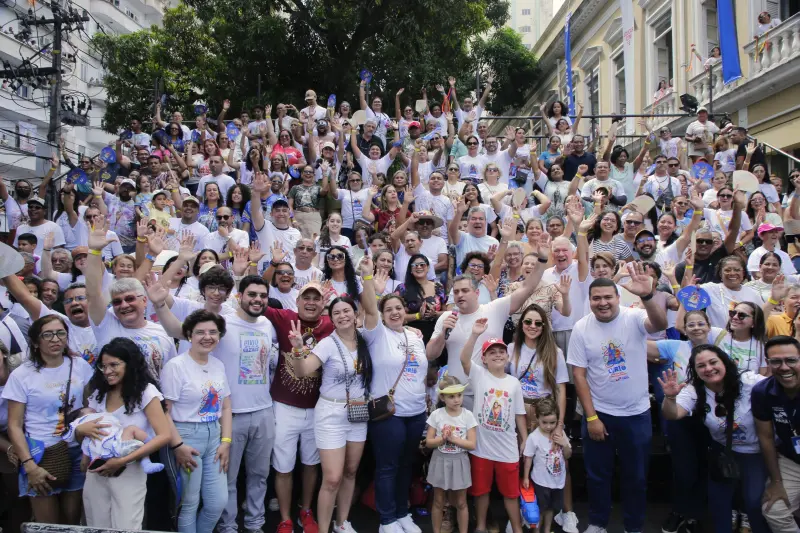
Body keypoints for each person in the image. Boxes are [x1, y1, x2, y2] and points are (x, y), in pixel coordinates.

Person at [150, 275, 277, 533]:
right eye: (251, 294)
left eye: (263, 295)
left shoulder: (267, 324)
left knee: (259, 475)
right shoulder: (222, 323)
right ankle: (227, 526)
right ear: (239, 296)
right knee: (225, 480)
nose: (257, 299)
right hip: (230, 415)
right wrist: (160, 305)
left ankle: (255, 523)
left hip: (263, 410)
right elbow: (178, 330)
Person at [567, 267, 668, 533]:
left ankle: (633, 526)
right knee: (597, 476)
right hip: (599, 413)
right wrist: (591, 417)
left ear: (617, 297)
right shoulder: (581, 328)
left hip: (636, 415)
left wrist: (648, 296)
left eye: (607, 297)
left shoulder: (634, 317)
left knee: (636, 478)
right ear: (590, 300)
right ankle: (598, 523)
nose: (602, 303)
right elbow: (579, 375)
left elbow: (660, 324)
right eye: (596, 298)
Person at [427, 237, 550, 409]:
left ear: (477, 293)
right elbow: (430, 354)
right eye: (456, 292)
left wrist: (542, 259)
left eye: (465, 290)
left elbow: (527, 287)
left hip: (490, 394)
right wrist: (443, 334)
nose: (460, 295)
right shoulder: (446, 318)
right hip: (456, 396)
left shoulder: (495, 309)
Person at [285, 292, 372, 533]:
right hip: (331, 413)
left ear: (355, 314)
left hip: (358, 411)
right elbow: (302, 371)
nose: (342, 316)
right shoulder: (327, 343)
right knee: (332, 478)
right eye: (336, 313)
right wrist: (298, 349)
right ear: (331, 319)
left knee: (351, 472)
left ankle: (342, 523)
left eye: (346, 311)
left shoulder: (365, 339)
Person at [358, 257, 432, 533]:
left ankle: (402, 513)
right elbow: (369, 307)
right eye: (388, 309)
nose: (394, 312)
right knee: (387, 467)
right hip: (389, 414)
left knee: (406, 466)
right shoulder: (376, 334)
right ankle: (387, 519)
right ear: (381, 314)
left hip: (416, 412)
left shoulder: (415, 336)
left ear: (405, 310)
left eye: (398, 308)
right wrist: (368, 277)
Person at [660, 344, 769, 533]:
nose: (708, 369)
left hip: (755, 452)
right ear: (695, 371)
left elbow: (779, 388)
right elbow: (673, 414)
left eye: (713, 362)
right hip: (723, 452)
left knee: (754, 503)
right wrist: (670, 398)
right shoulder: (694, 389)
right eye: (701, 366)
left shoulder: (749, 381)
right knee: (719, 504)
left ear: (725, 362)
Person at [3, 315, 94, 524]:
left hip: (76, 451)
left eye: (60, 333)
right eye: (48, 334)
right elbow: (14, 425)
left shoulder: (80, 365)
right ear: (36, 342)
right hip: (40, 454)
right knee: (47, 525)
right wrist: (29, 465)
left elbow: (90, 405)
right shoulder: (22, 375)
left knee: (71, 522)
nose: (55, 339)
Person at [74, 338, 170, 529]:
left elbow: (164, 436)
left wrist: (122, 461)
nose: (107, 371)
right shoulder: (99, 393)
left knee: (126, 526)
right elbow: (86, 434)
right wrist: (80, 431)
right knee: (97, 525)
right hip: (96, 468)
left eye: (114, 365)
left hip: (129, 469)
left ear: (130, 363)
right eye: (103, 366)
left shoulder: (146, 392)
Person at [264, 282, 333, 533]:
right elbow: (253, 304)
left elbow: (362, 324)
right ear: (298, 300)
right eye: (307, 297)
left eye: (316, 298)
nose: (311, 302)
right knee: (283, 466)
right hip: (284, 407)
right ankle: (285, 518)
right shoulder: (285, 317)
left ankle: (306, 510)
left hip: (318, 409)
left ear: (323, 303)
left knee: (311, 464)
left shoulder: (331, 324)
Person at [161, 310, 233, 533]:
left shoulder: (218, 364)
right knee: (189, 503)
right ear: (189, 335)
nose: (207, 337)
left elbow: (226, 406)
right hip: (186, 437)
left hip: (214, 438)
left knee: (217, 502)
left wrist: (226, 441)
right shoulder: (176, 366)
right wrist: (178, 446)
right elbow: (164, 412)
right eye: (200, 332)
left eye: (213, 332)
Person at [85, 220, 178, 379]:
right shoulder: (106, 324)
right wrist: (94, 252)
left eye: (129, 299)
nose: (124, 305)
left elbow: (171, 375)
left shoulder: (163, 332)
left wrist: (152, 255)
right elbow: (93, 295)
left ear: (144, 301)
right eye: (117, 302)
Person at [460, 318, 527, 533]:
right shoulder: (479, 375)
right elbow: (464, 359)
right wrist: (474, 335)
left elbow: (519, 414)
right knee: (481, 491)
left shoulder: (514, 383)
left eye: (501, 352)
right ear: (484, 358)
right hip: (482, 448)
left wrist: (524, 439)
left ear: (507, 356)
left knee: (511, 493)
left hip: (507, 448)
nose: (497, 355)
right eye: (492, 352)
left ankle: (517, 528)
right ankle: (480, 526)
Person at [752, 336, 800, 533]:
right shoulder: (762, 391)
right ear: (768, 363)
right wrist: (776, 482)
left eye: (791, 360)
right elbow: (766, 437)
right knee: (774, 509)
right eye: (776, 361)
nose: (784, 367)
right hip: (792, 460)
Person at [425, 374, 477, 533]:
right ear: (443, 397)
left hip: (460, 461)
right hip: (440, 460)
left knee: (461, 502)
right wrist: (442, 439)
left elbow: (472, 444)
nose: (457, 400)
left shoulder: (467, 415)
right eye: (451, 396)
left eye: (459, 395)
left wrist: (453, 439)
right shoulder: (437, 415)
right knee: (438, 501)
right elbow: (429, 442)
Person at [522, 396, 572, 533]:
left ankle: (547, 529)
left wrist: (564, 444)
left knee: (550, 508)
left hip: (557, 481)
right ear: (537, 418)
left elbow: (568, 455)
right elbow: (528, 458)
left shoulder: (560, 434)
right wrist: (526, 477)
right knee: (539, 508)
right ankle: (536, 531)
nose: (549, 426)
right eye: (545, 422)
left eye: (552, 422)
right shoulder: (534, 437)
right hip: (541, 481)